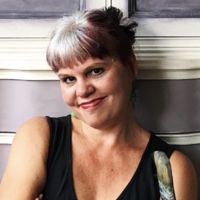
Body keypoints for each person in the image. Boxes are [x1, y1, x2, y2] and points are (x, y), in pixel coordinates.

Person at [0, 6, 197, 200]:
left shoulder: (172, 168)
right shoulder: (38, 135)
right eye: (69, 79)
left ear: (131, 65)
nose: (82, 90)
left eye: (95, 71)